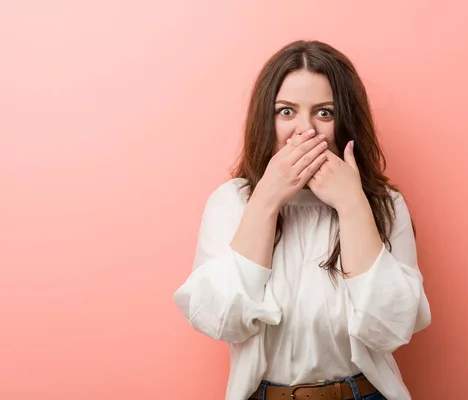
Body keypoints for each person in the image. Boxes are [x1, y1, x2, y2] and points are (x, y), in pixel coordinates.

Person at [173, 40, 431, 400]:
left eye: (324, 112)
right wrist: (265, 200)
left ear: (345, 121)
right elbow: (219, 319)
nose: (304, 130)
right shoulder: (232, 202)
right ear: (266, 118)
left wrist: (353, 204)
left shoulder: (384, 204)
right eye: (286, 112)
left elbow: (392, 328)